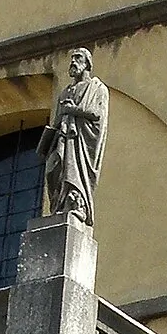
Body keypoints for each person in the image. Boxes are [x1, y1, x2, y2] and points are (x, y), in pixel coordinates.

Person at [38, 47, 109, 223]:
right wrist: (48, 138)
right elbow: (57, 119)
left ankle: (78, 204)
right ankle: (58, 205)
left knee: (74, 172)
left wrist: (74, 110)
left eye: (78, 58)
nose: (73, 62)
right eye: (72, 58)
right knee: (53, 169)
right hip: (62, 138)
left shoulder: (97, 88)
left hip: (82, 142)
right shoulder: (65, 92)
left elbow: (97, 114)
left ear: (87, 64)